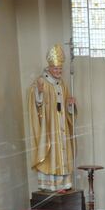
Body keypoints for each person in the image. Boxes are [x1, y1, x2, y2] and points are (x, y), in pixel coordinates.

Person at [29, 43, 76, 192]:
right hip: (49, 126)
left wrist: (70, 104)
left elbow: (69, 107)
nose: (58, 71)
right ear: (49, 68)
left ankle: (63, 184)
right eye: (56, 69)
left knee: (62, 152)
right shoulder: (42, 81)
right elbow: (36, 103)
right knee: (51, 151)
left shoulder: (62, 84)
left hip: (62, 124)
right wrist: (39, 92)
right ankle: (50, 185)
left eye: (60, 69)